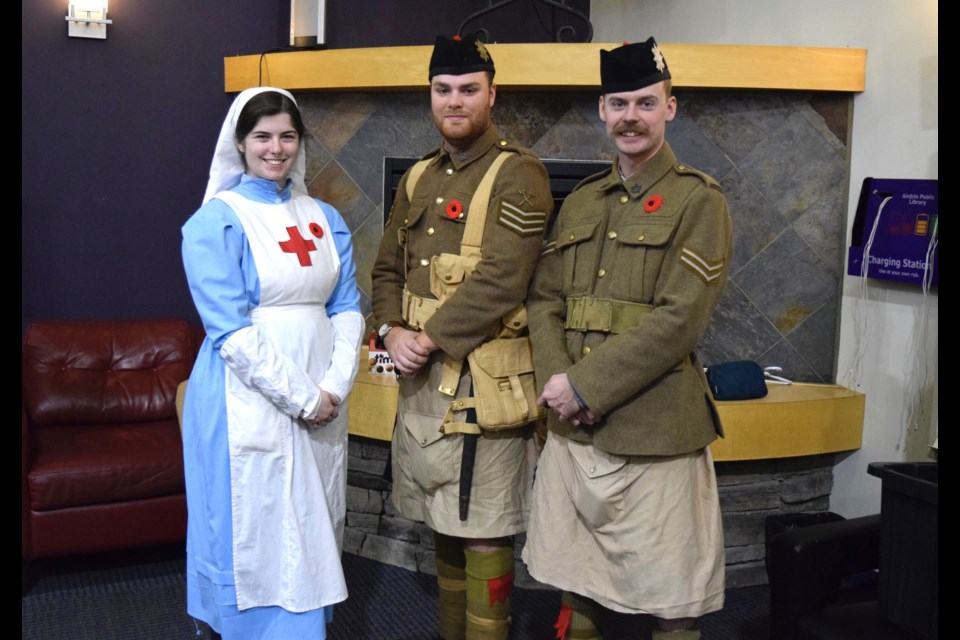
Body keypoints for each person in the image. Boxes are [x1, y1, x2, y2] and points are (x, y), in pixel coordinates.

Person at [522, 38, 731, 640]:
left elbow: (681, 318)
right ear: (602, 111)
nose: (630, 116)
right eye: (618, 103)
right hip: (572, 428)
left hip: (655, 429)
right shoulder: (584, 198)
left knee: (672, 598)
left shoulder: (700, 200)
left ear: (671, 107)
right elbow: (545, 300)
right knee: (576, 578)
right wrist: (558, 384)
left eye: (645, 102)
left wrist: (586, 385)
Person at [371, 33, 553, 640]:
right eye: (443, 90)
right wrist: (390, 328)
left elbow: (505, 277)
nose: (455, 102)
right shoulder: (419, 174)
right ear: (430, 95)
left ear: (491, 94)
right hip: (421, 382)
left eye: (468, 90)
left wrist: (426, 338)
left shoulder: (518, 172)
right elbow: (386, 268)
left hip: (483, 382)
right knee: (438, 518)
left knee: (482, 526)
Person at [181, 87, 364, 640]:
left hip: (322, 390)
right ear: (240, 143)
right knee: (255, 521)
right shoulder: (215, 222)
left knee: (310, 516)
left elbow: (349, 307)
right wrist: (304, 397)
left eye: (287, 136)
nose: (276, 148)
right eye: (262, 136)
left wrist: (333, 386)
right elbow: (230, 330)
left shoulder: (325, 217)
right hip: (246, 395)